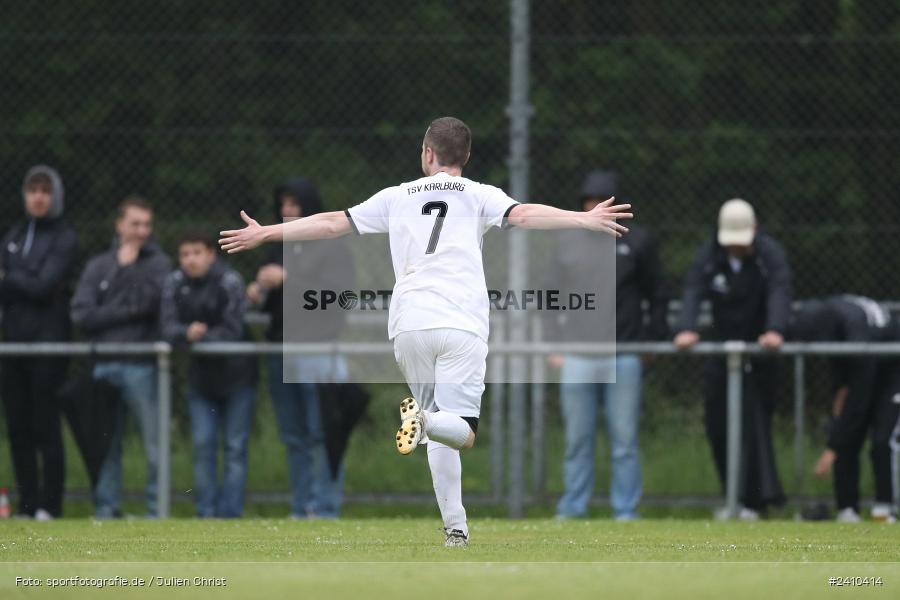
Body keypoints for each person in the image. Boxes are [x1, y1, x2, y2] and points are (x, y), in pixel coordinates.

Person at [220, 116, 632, 546]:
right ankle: (427, 426)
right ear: (466, 158)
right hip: (461, 323)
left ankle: (456, 528)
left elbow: (329, 224)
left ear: (427, 153)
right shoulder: (478, 194)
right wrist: (583, 220)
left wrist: (267, 232)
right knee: (461, 430)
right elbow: (525, 214)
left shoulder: (397, 196)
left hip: (409, 324)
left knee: (436, 426)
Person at [548, 170, 667, 521]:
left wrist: (653, 343)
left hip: (624, 354)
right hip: (577, 356)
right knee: (577, 441)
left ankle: (626, 510)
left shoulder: (638, 242)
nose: (595, 209)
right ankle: (572, 507)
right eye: (589, 203)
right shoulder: (567, 244)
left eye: (602, 202)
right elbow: (550, 298)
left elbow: (658, 294)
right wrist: (553, 347)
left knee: (625, 442)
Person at [673, 198, 790, 519]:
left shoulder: (770, 256)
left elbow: (780, 291)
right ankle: (732, 498)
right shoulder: (710, 256)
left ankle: (755, 502)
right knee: (717, 425)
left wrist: (775, 330)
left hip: (760, 351)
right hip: (721, 351)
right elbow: (693, 291)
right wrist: (686, 328)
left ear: (754, 230)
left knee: (754, 427)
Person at [246, 178, 354, 519]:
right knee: (294, 438)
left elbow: (339, 298)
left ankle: (325, 508)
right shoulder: (277, 245)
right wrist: (258, 292)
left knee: (322, 436)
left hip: (318, 352)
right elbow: (275, 306)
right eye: (283, 204)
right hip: (281, 352)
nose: (286, 211)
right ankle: (301, 506)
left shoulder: (332, 246)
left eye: (293, 204)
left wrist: (290, 281)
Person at [70, 196, 171, 518]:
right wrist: (124, 282)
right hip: (103, 365)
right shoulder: (99, 265)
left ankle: (158, 511)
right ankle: (106, 509)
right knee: (105, 446)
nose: (142, 231)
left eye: (146, 224)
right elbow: (82, 315)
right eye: (135, 224)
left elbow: (151, 305)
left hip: (142, 366)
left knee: (155, 447)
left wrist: (110, 307)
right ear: (119, 225)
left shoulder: (159, 264)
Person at [0, 165, 79, 520]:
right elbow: (28, 284)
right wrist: (25, 280)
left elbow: (44, 285)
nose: (38, 197)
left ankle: (51, 505)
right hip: (12, 344)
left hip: (48, 345)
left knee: (46, 423)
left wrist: (11, 278)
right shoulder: (14, 235)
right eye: (33, 190)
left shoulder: (64, 237)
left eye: (45, 191)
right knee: (18, 427)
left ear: (55, 196)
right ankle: (27, 504)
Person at [160, 231, 256, 518]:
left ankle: (231, 515)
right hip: (201, 382)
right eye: (185, 254)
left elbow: (233, 330)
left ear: (211, 255)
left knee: (235, 448)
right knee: (203, 446)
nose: (191, 260)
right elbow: (166, 327)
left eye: (197, 252)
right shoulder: (175, 283)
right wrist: (185, 333)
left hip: (238, 378)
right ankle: (206, 513)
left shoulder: (230, 281)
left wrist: (196, 337)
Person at [791, 295, 900, 523]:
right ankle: (847, 509)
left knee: (882, 440)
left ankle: (885, 508)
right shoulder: (829, 320)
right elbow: (842, 374)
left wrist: (832, 449)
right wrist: (840, 392)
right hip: (867, 371)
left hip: (893, 371)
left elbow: (859, 397)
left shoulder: (855, 329)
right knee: (847, 432)